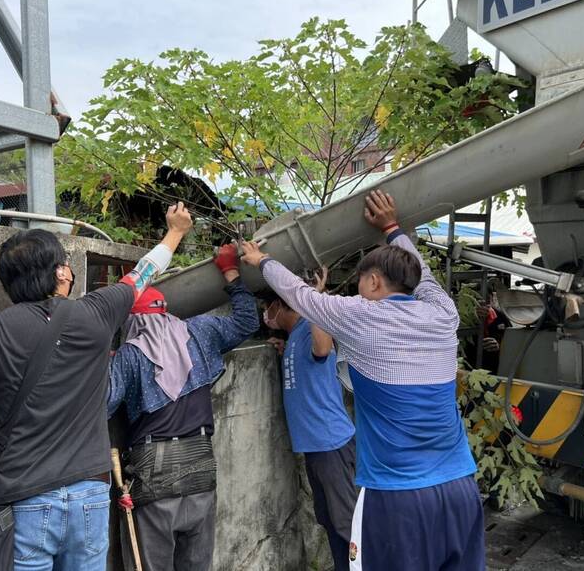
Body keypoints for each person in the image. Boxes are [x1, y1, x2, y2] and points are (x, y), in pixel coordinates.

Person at [0, 203, 193, 571]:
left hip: (26, 497)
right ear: (59, 272)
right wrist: (176, 231)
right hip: (92, 492)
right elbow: (143, 273)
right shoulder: (98, 311)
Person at [240, 190, 484, 571]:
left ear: (372, 282)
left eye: (359, 283)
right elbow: (426, 276)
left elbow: (301, 296)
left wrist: (262, 259)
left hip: (397, 496)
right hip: (460, 487)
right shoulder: (442, 313)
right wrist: (391, 228)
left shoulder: (361, 317)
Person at [107, 243, 259, 571]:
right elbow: (248, 322)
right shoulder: (200, 331)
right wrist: (231, 273)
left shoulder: (131, 355)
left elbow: (102, 404)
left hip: (154, 476)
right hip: (202, 470)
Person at [261, 267, 357, 571]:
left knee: (346, 526)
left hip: (331, 444)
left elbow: (322, 348)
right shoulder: (292, 339)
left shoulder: (309, 330)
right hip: (317, 448)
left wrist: (315, 297)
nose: (266, 314)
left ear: (280, 304)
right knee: (329, 522)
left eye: (268, 306)